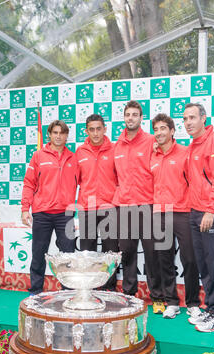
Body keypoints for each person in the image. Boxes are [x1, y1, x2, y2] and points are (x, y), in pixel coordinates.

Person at [183, 103, 214, 332]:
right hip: (195, 211)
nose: (188, 122)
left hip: (213, 212)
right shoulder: (193, 146)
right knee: (204, 264)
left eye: (192, 117)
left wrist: (210, 209)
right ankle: (211, 309)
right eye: (185, 119)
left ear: (203, 118)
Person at [113, 100, 163, 311]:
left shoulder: (152, 141)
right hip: (124, 207)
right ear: (124, 118)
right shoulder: (117, 145)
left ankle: (158, 297)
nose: (131, 118)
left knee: (152, 254)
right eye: (128, 114)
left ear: (141, 118)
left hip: (147, 206)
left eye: (135, 114)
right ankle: (129, 295)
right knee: (127, 253)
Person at [151, 113, 201, 319]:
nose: (159, 133)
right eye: (156, 129)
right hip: (159, 213)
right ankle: (171, 302)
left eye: (163, 128)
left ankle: (192, 303)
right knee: (164, 259)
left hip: (183, 212)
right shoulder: (152, 155)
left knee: (189, 259)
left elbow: (195, 182)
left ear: (172, 131)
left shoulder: (185, 153)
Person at [21, 120, 78, 295]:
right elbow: (29, 183)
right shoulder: (38, 156)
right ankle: (35, 291)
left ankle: (67, 291)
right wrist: (25, 208)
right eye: (55, 132)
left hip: (65, 215)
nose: (58, 136)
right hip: (42, 214)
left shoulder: (74, 158)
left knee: (67, 256)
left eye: (62, 133)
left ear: (67, 136)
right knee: (38, 253)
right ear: (50, 135)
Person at [76, 113, 119, 290]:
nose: (95, 133)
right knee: (88, 252)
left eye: (98, 129)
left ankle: (109, 288)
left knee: (110, 252)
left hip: (109, 207)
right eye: (91, 130)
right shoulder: (79, 152)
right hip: (87, 208)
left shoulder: (115, 149)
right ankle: (90, 288)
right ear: (86, 131)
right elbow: (76, 179)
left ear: (105, 129)